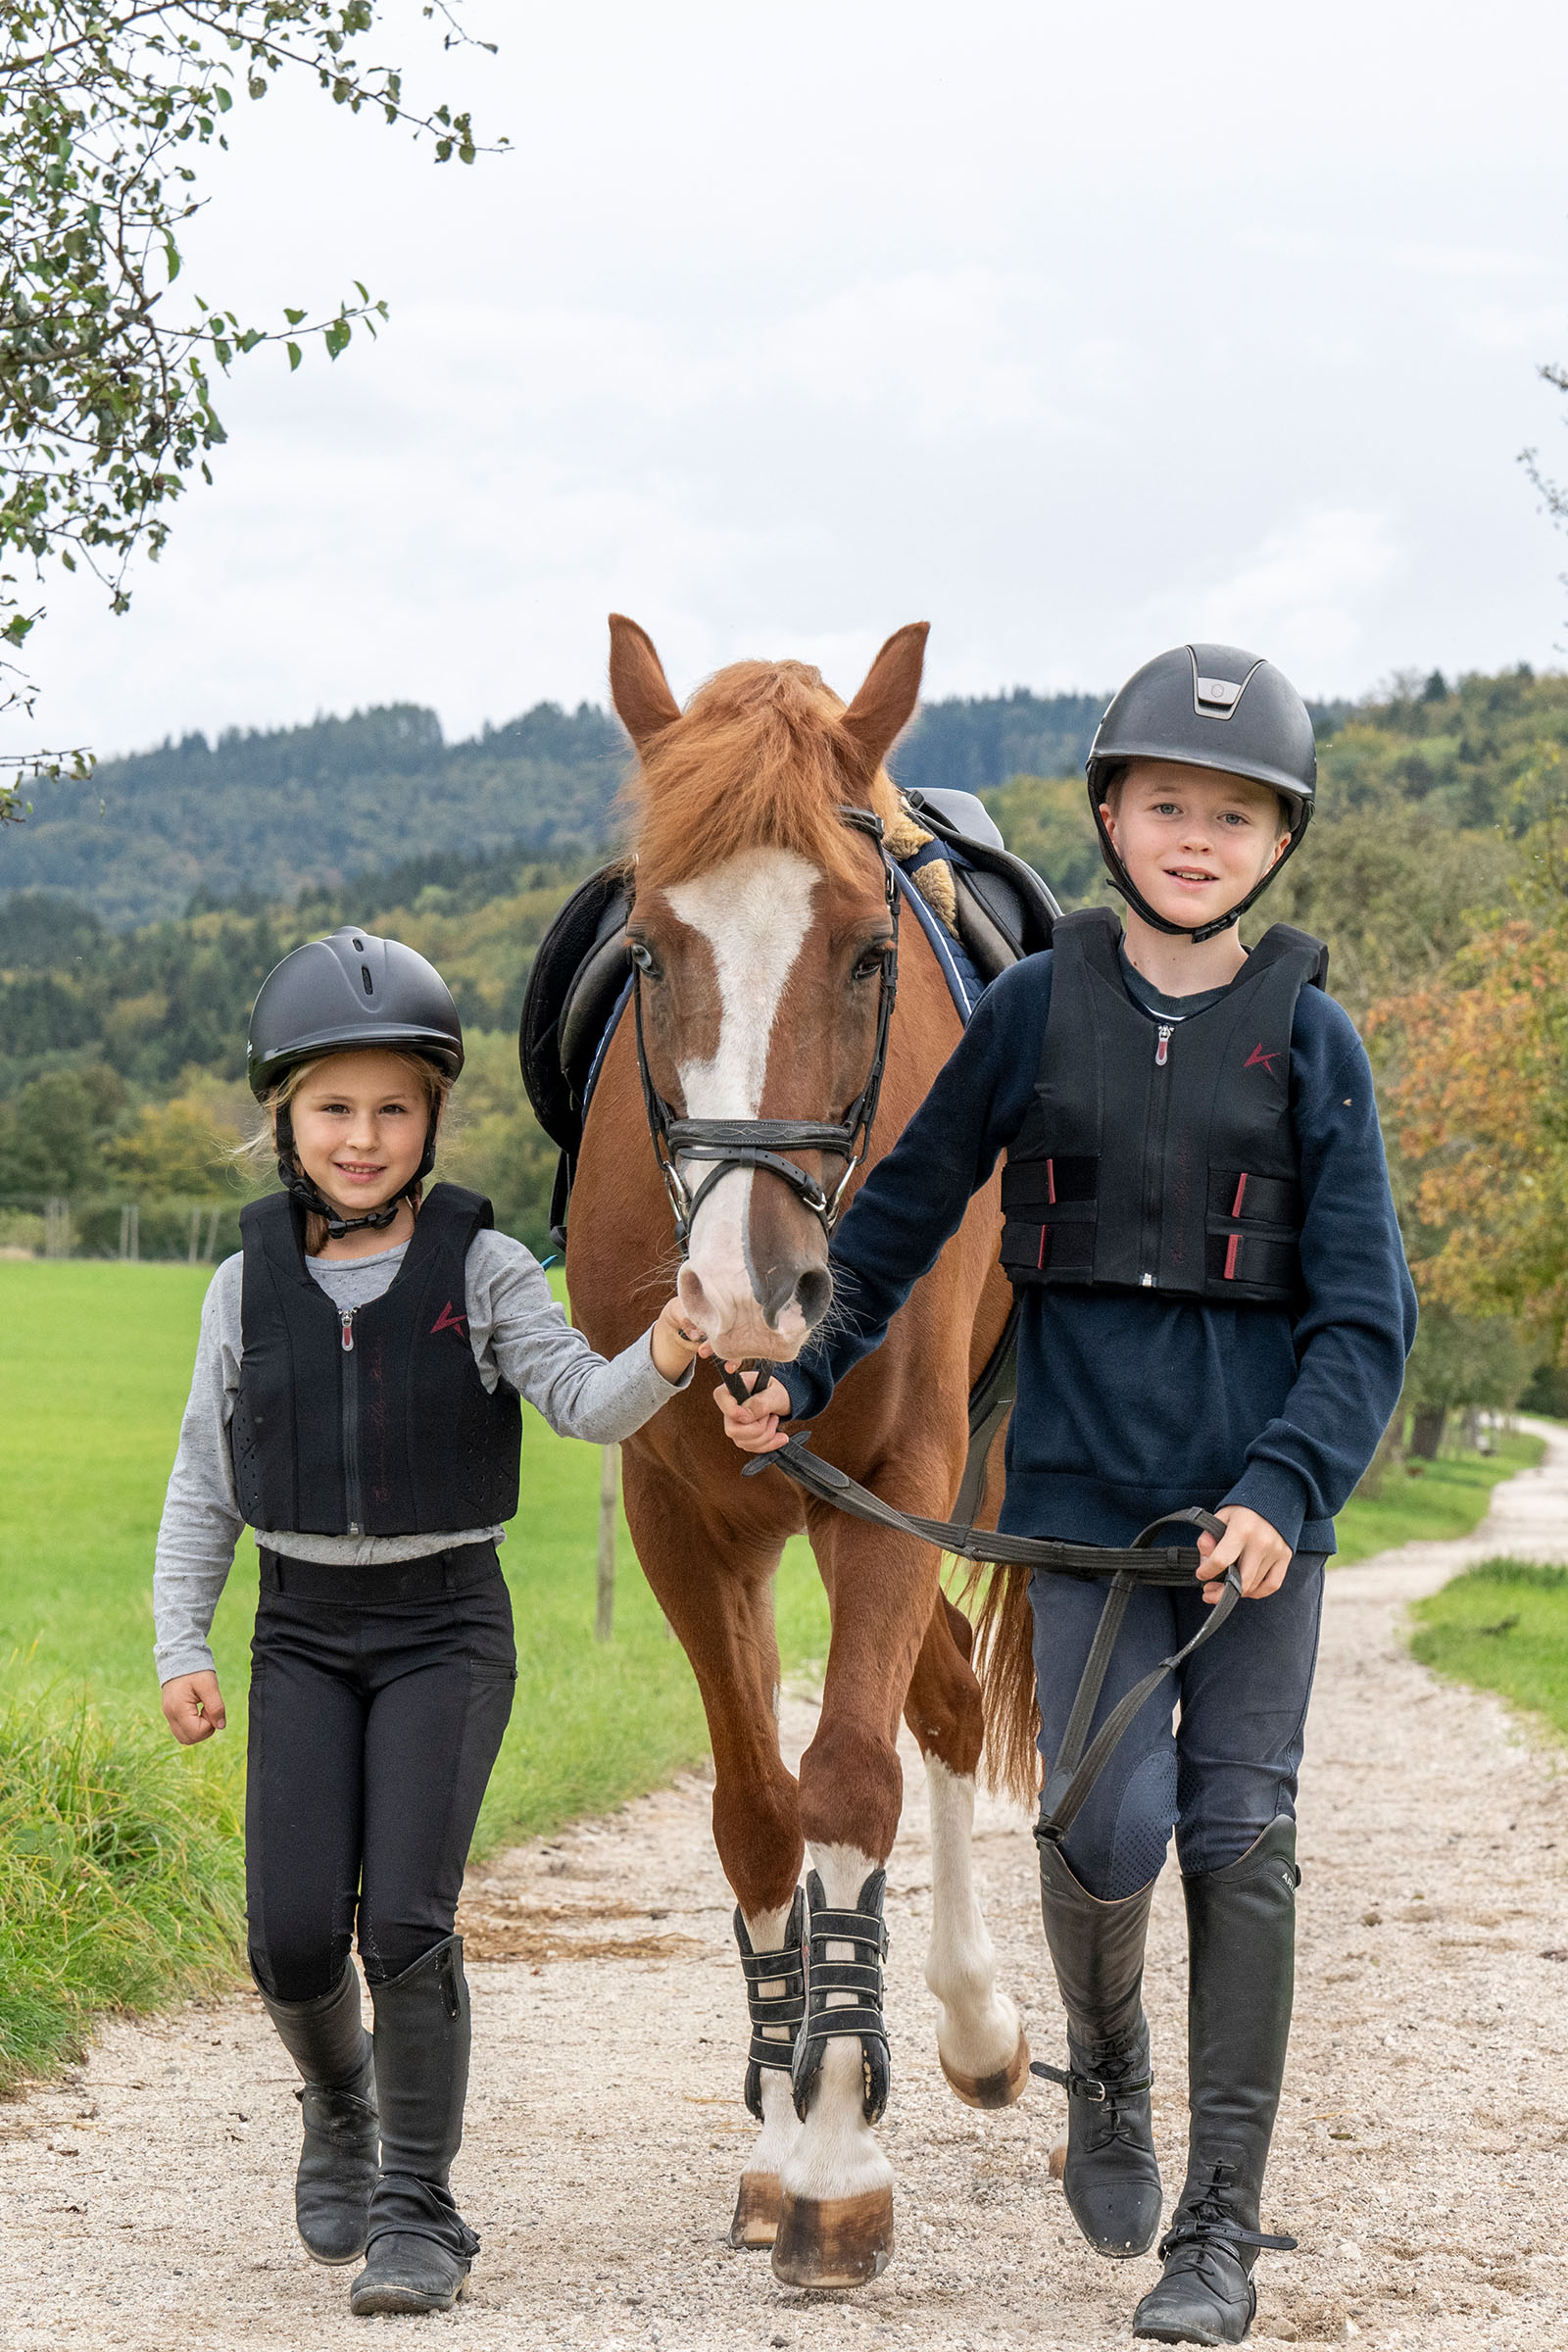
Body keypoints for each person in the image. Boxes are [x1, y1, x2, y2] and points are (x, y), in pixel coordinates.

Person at [715, 646, 1416, 2346]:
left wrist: (1286, 1488)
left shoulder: (1314, 1044)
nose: (1196, 835)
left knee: (1238, 1841)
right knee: (1101, 1831)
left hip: (1253, 1529)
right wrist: (799, 1375)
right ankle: (1107, 2072)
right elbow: (889, 1230)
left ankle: (1221, 2228)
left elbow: (1364, 1317)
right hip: (1085, 1510)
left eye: (1231, 814)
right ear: (1111, 814)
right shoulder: (1036, 1008)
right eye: (1168, 803)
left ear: (1275, 842)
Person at [154, 926, 707, 2317]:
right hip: (295, 1630)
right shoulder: (243, 1287)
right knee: (288, 1936)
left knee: (403, 1918)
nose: (363, 1136)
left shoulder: (487, 1267)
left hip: (442, 1628)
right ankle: (338, 2104)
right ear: (285, 1117)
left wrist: (675, 1351)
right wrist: (185, 1645)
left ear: (433, 1117)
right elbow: (201, 1483)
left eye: (393, 1108)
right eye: (334, 1108)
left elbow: (584, 1403)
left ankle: (420, 2206)